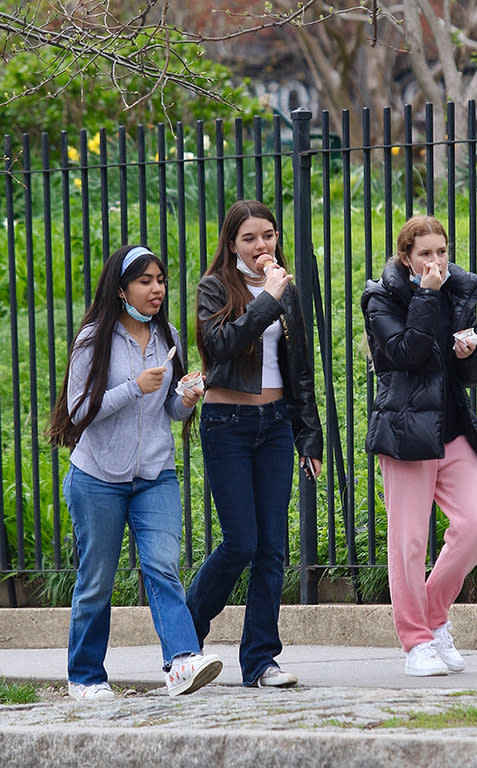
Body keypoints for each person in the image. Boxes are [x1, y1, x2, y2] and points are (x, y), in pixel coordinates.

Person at [47, 244, 222, 701]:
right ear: (121, 289)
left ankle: (182, 661)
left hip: (155, 473)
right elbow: (79, 409)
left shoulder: (168, 337)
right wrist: (131, 388)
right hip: (98, 476)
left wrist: (185, 398)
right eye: (145, 281)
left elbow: (167, 410)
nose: (156, 289)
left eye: (160, 280)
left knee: (163, 566)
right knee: (96, 580)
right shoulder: (92, 340)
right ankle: (85, 677)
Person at [185, 200, 323, 688]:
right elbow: (222, 345)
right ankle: (184, 636)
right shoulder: (215, 287)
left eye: (268, 235)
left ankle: (261, 660)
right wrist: (267, 297)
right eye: (249, 238)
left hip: (275, 425)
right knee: (240, 542)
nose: (262, 245)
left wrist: (309, 434)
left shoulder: (287, 289)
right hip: (227, 423)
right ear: (231, 243)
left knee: (272, 548)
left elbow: (299, 367)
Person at [361, 215, 477, 677]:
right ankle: (416, 641)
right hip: (406, 434)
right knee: (409, 543)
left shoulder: (457, 293)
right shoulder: (380, 298)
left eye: (442, 251)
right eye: (425, 254)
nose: (436, 262)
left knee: (474, 528)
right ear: (406, 258)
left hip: (453, 430)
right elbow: (404, 355)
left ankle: (435, 620)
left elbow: (473, 377)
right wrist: (427, 295)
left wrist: (470, 354)